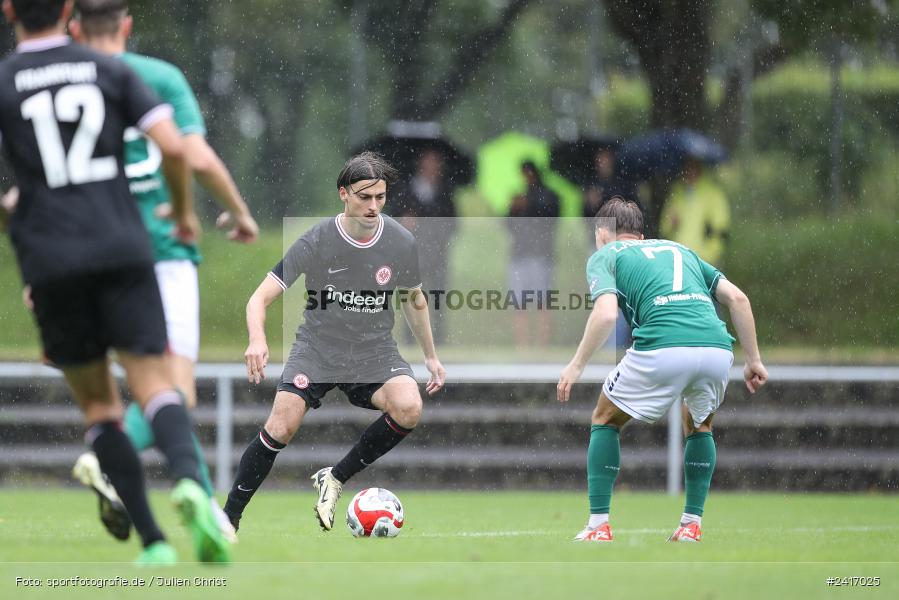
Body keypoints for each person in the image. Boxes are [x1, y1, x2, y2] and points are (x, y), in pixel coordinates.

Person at [0, 0, 228, 564]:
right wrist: (182, 212)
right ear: (67, 11)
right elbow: (175, 148)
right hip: (124, 248)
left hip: (52, 259)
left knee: (101, 407)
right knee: (157, 386)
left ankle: (153, 543)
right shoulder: (110, 70)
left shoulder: (5, 80)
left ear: (9, 11)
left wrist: (19, 223)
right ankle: (189, 484)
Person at [65, 0, 258, 544]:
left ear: (75, 27)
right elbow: (193, 157)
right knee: (174, 393)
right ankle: (113, 466)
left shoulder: (66, 84)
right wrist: (239, 213)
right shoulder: (157, 77)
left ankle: (193, 501)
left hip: (86, 253)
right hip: (160, 251)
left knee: (127, 390)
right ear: (126, 25)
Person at [223, 152, 446, 532]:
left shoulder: (401, 242)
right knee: (281, 425)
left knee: (409, 406)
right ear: (343, 194)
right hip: (318, 348)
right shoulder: (316, 240)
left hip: (373, 350)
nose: (374, 207)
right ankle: (227, 521)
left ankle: (336, 477)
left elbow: (414, 298)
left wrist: (431, 357)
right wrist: (257, 339)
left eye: (380, 197)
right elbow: (258, 298)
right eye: (364, 197)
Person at [557, 197, 767, 543]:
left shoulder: (605, 256)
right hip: (716, 346)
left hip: (664, 346)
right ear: (640, 234)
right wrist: (754, 359)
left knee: (605, 418)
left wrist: (576, 364)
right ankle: (691, 524)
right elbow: (738, 299)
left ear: (602, 233)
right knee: (699, 424)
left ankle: (598, 525)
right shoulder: (680, 250)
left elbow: (607, 314)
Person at [391, 149, 457, 344]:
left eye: (436, 164)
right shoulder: (405, 190)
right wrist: (404, 221)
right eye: (428, 163)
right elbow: (393, 219)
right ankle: (410, 337)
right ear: (421, 165)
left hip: (437, 252)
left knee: (437, 297)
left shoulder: (445, 192)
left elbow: (453, 223)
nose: (432, 168)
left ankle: (437, 337)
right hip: (413, 253)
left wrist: (436, 231)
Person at [506, 161, 560, 347]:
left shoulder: (549, 197)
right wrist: (513, 208)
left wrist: (529, 204)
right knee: (519, 302)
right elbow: (509, 226)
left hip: (540, 255)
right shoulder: (519, 198)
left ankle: (542, 343)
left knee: (542, 301)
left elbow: (550, 220)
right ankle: (523, 344)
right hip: (520, 253)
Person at [660, 158, 730, 265]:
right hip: (679, 257)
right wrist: (671, 223)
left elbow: (721, 228)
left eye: (694, 167)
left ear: (701, 169)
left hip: (704, 259)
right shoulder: (676, 192)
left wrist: (711, 253)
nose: (690, 172)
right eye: (687, 168)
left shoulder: (713, 193)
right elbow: (664, 228)